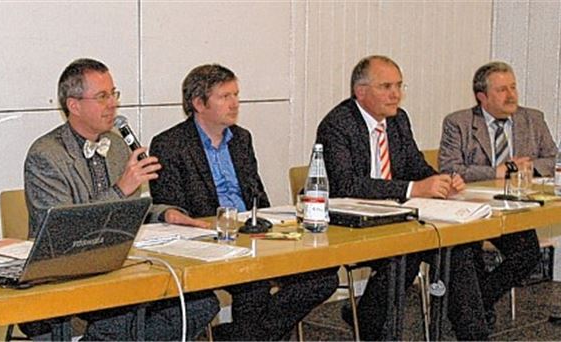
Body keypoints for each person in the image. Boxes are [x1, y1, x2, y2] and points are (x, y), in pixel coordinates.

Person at [22, 58, 218, 340]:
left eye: (114, 94)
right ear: (74, 105)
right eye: (102, 96)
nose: (112, 104)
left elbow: (127, 211)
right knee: (120, 314)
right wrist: (121, 188)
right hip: (64, 269)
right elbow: (59, 230)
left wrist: (165, 214)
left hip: (117, 263)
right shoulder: (46, 154)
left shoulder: (115, 146)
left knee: (201, 303)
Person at [151, 64, 339, 341]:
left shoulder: (241, 138)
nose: (235, 103)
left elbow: (256, 195)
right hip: (209, 240)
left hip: (254, 233)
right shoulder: (170, 144)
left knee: (322, 277)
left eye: (236, 94)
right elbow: (170, 205)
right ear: (198, 103)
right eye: (224, 96)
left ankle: (239, 336)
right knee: (254, 286)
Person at [315, 56, 488, 340]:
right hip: (351, 221)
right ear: (361, 92)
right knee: (407, 251)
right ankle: (370, 317)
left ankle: (474, 336)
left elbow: (415, 166)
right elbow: (345, 185)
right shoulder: (337, 124)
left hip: (396, 216)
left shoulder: (398, 120)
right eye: (386, 86)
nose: (396, 94)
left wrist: (442, 181)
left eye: (398, 85)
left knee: (456, 250)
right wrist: (413, 189)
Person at [439, 61, 555, 328]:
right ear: (482, 96)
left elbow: (553, 159)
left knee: (527, 255)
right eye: (502, 89)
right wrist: (497, 171)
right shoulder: (459, 123)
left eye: (513, 87)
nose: (511, 95)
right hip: (470, 208)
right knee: (468, 252)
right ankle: (473, 314)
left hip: (514, 206)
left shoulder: (532, 118)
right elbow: (450, 168)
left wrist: (523, 168)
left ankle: (474, 306)